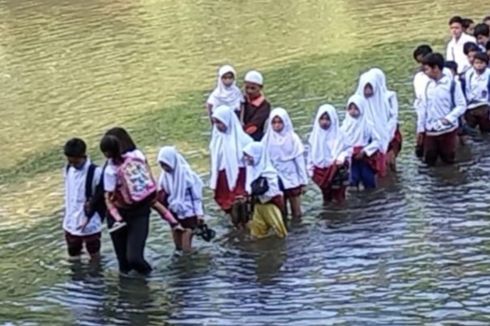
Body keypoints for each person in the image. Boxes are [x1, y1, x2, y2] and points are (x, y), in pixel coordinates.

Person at [417, 53, 467, 166]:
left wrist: (448, 119)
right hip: (430, 129)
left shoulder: (452, 84)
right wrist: (420, 128)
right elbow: (422, 106)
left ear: (436, 68)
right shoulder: (426, 85)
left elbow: (461, 105)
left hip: (447, 129)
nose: (425, 73)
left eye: (427, 69)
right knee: (429, 161)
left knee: (448, 159)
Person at [209, 105, 253, 228]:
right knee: (230, 207)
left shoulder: (244, 140)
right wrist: (214, 182)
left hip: (240, 175)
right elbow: (214, 162)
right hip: (223, 178)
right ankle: (236, 228)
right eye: (215, 122)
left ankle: (242, 233)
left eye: (220, 122)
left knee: (243, 207)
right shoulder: (217, 140)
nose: (218, 125)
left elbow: (251, 162)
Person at [261, 108, 308, 219]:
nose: (277, 125)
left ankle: (298, 230)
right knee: (281, 210)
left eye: (280, 122)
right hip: (276, 177)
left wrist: (303, 181)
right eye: (274, 122)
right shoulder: (267, 139)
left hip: (292, 177)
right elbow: (263, 159)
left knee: (296, 210)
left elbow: (299, 161)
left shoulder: (293, 138)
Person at [157, 146, 205, 252]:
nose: (164, 168)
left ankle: (190, 264)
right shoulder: (164, 177)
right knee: (178, 247)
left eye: (165, 164)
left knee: (186, 247)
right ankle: (184, 264)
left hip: (189, 213)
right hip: (174, 212)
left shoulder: (187, 175)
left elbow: (196, 197)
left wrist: (199, 214)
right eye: (161, 165)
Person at [63, 138, 103, 262]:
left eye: (75, 161)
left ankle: (96, 276)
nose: (73, 164)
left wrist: (89, 215)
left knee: (94, 253)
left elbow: (100, 197)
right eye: (70, 161)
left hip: (90, 221)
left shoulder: (96, 172)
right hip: (71, 220)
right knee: (73, 253)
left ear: (82, 156)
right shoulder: (68, 169)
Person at [308, 104, 352, 203]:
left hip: (336, 170)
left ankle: (339, 216)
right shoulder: (314, 136)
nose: (324, 122)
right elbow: (311, 154)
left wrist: (341, 157)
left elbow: (349, 149)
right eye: (322, 119)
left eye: (328, 119)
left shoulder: (341, 134)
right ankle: (329, 216)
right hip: (320, 171)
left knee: (339, 198)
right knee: (326, 198)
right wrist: (310, 170)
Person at [242, 142, 288, 239]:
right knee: (257, 234)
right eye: (245, 156)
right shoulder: (252, 171)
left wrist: (256, 192)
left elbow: (273, 193)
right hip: (258, 207)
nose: (246, 159)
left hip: (270, 206)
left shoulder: (270, 174)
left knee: (280, 233)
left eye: (248, 156)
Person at [355, 70, 392, 177]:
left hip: (378, 142)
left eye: (370, 87)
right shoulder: (356, 104)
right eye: (365, 87)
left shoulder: (383, 103)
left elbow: (388, 122)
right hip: (363, 142)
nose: (367, 91)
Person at [341, 95, 382, 190]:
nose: (353, 111)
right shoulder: (344, 127)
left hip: (365, 158)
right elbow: (340, 145)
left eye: (356, 108)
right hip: (351, 159)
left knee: (369, 183)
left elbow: (377, 141)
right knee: (352, 183)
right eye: (350, 108)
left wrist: (365, 151)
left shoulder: (368, 125)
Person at [370, 68, 402, 171]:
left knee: (390, 161)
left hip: (390, 134)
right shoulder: (367, 99)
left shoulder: (389, 96)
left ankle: (392, 182)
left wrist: (387, 136)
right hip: (374, 135)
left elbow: (393, 117)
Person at [241, 70, 271, 141]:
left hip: (255, 139)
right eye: (247, 88)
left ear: (260, 88)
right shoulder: (241, 100)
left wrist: (239, 134)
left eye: (253, 88)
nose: (249, 91)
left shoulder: (264, 105)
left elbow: (253, 127)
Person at [464, 52, 490, 132]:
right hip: (471, 105)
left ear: (486, 64)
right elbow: (467, 89)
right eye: (476, 63)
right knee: (468, 129)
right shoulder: (469, 73)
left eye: (481, 63)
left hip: (486, 105)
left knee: (486, 129)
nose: (478, 65)